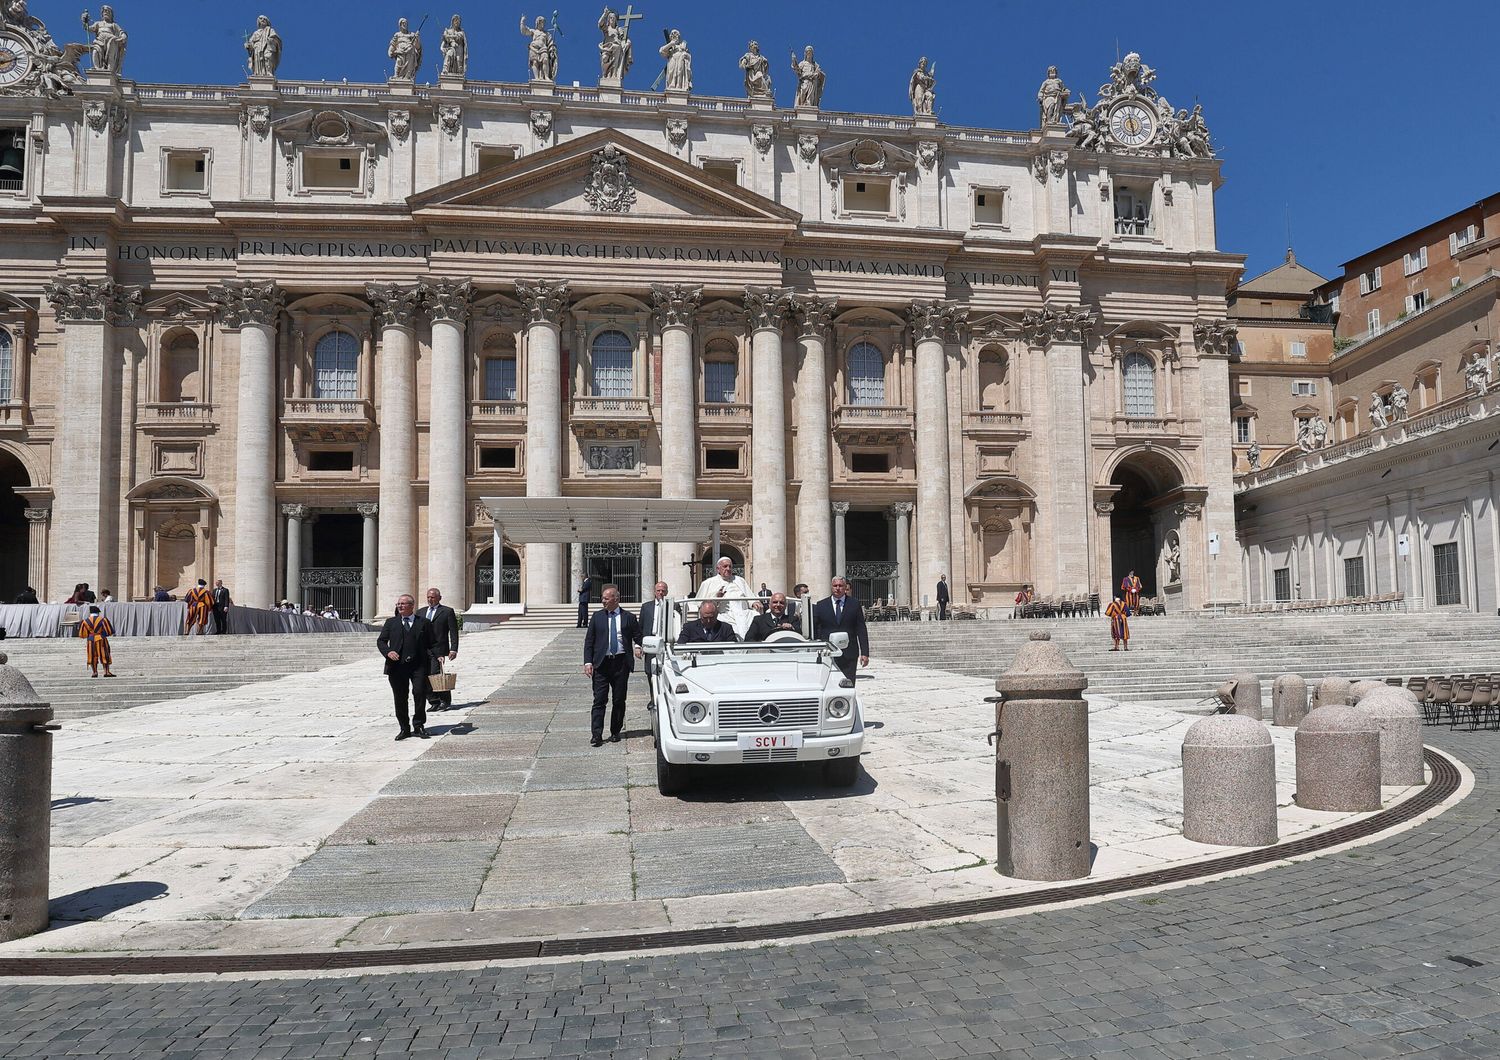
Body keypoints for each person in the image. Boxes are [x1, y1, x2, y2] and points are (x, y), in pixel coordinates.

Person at [583, 584, 640, 747]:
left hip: (621, 663)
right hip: (601, 664)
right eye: (603, 598)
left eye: (607, 598)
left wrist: (638, 646)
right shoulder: (597, 617)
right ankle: (596, 734)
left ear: (616, 598)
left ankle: (615, 731)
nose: (603, 601)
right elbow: (589, 641)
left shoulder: (629, 617)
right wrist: (588, 662)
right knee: (599, 700)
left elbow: (638, 636)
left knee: (619, 699)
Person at [377, 594, 435, 741]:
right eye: (398, 604)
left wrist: (439, 655)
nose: (400, 606)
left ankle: (419, 725)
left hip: (419, 666)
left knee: (420, 694)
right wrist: (388, 652)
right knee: (400, 698)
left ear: (411, 605)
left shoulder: (424, 623)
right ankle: (404, 728)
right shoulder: (391, 623)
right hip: (397, 667)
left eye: (403, 604)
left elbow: (433, 643)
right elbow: (381, 641)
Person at [812, 576, 869, 681]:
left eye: (840, 586)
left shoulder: (854, 604)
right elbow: (816, 629)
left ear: (845, 587)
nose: (837, 588)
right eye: (835, 586)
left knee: (848, 683)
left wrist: (865, 653)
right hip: (828, 652)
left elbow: (861, 629)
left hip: (849, 653)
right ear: (831, 587)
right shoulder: (821, 605)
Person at [695, 556, 755, 637]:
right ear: (718, 569)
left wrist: (754, 603)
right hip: (723, 615)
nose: (728, 568)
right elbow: (700, 604)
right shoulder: (708, 583)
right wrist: (717, 598)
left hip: (744, 614)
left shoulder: (740, 580)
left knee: (756, 617)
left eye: (730, 566)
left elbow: (750, 597)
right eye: (725, 566)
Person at [421, 587, 460, 712]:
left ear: (439, 598)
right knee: (423, 676)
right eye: (428, 597)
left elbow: (453, 632)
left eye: (432, 597)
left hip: (438, 649)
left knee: (436, 674)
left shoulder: (447, 611)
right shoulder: (420, 612)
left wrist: (453, 649)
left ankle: (445, 700)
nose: (430, 599)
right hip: (423, 649)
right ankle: (433, 701)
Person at [636, 580, 669, 701]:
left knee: (665, 671)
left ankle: (664, 697)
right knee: (649, 671)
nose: (661, 593)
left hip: (665, 643)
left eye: (663, 590)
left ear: (667, 592)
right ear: (654, 592)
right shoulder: (646, 607)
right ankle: (653, 698)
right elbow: (640, 627)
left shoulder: (672, 605)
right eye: (658, 590)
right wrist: (638, 646)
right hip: (650, 642)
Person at [78, 605, 115, 678]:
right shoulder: (103, 619)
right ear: (97, 612)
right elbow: (109, 631)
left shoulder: (85, 621)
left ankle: (94, 672)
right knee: (104, 655)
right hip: (101, 638)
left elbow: (83, 634)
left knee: (92, 655)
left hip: (91, 640)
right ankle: (106, 672)